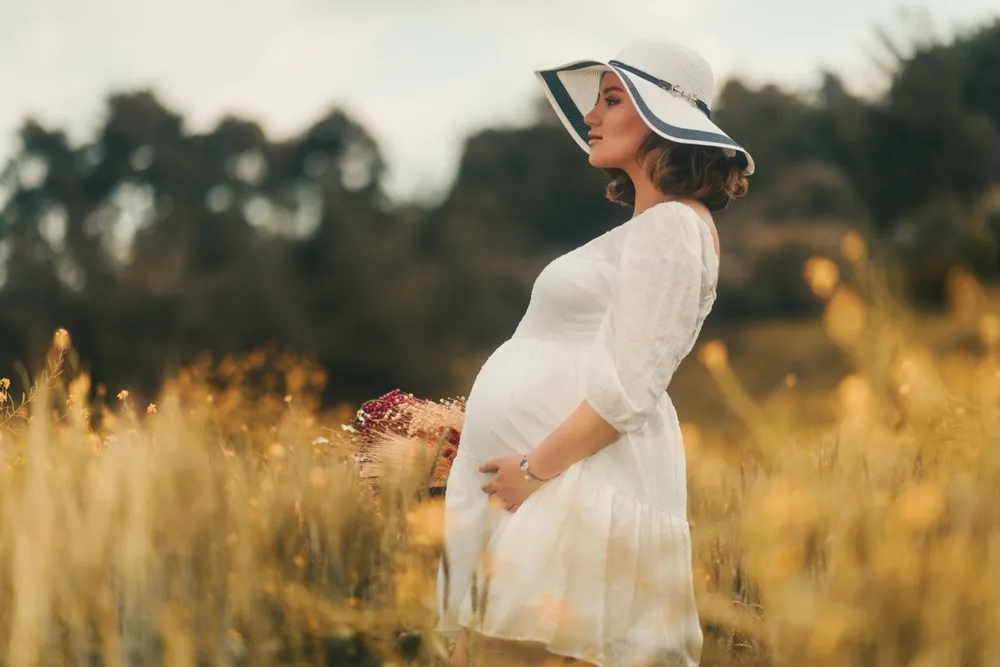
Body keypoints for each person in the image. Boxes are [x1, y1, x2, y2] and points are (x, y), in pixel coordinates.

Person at [437, 38, 754, 667]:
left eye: (612, 100)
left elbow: (633, 384)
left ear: (663, 117)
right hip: (549, 482)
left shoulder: (671, 227)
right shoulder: (648, 230)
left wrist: (532, 471)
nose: (591, 116)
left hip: (570, 484)